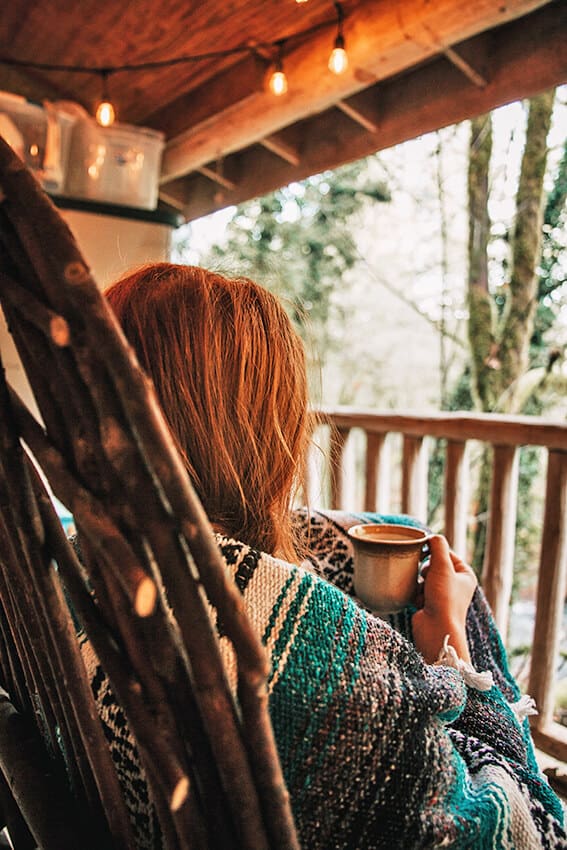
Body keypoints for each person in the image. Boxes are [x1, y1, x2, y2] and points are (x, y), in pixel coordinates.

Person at [83, 262, 564, 849]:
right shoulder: (307, 673)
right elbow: (529, 834)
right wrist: (454, 651)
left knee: (399, 530)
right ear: (261, 431)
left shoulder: (91, 557)